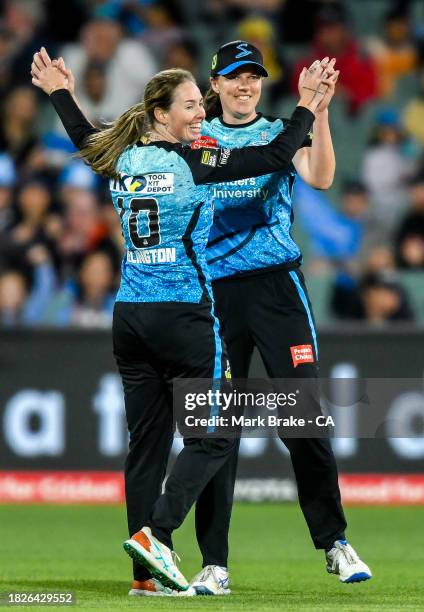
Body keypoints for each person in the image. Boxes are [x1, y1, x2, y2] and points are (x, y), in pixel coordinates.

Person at [31, 47, 331, 594]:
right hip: (185, 315)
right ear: (160, 115)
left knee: (145, 444)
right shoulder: (192, 161)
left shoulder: (121, 157)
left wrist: (58, 90)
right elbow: (272, 157)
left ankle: (145, 579)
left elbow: (81, 135)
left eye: (201, 104)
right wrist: (308, 107)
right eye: (191, 106)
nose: (201, 114)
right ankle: (157, 536)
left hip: (129, 317)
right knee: (216, 435)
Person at [187, 40, 372, 594]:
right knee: (218, 427)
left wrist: (321, 109)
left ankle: (335, 543)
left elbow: (319, 177)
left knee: (303, 417)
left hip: (278, 290)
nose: (245, 86)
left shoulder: (278, 130)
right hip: (216, 293)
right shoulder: (195, 141)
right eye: (235, 78)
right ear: (214, 85)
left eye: (253, 77)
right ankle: (214, 564)